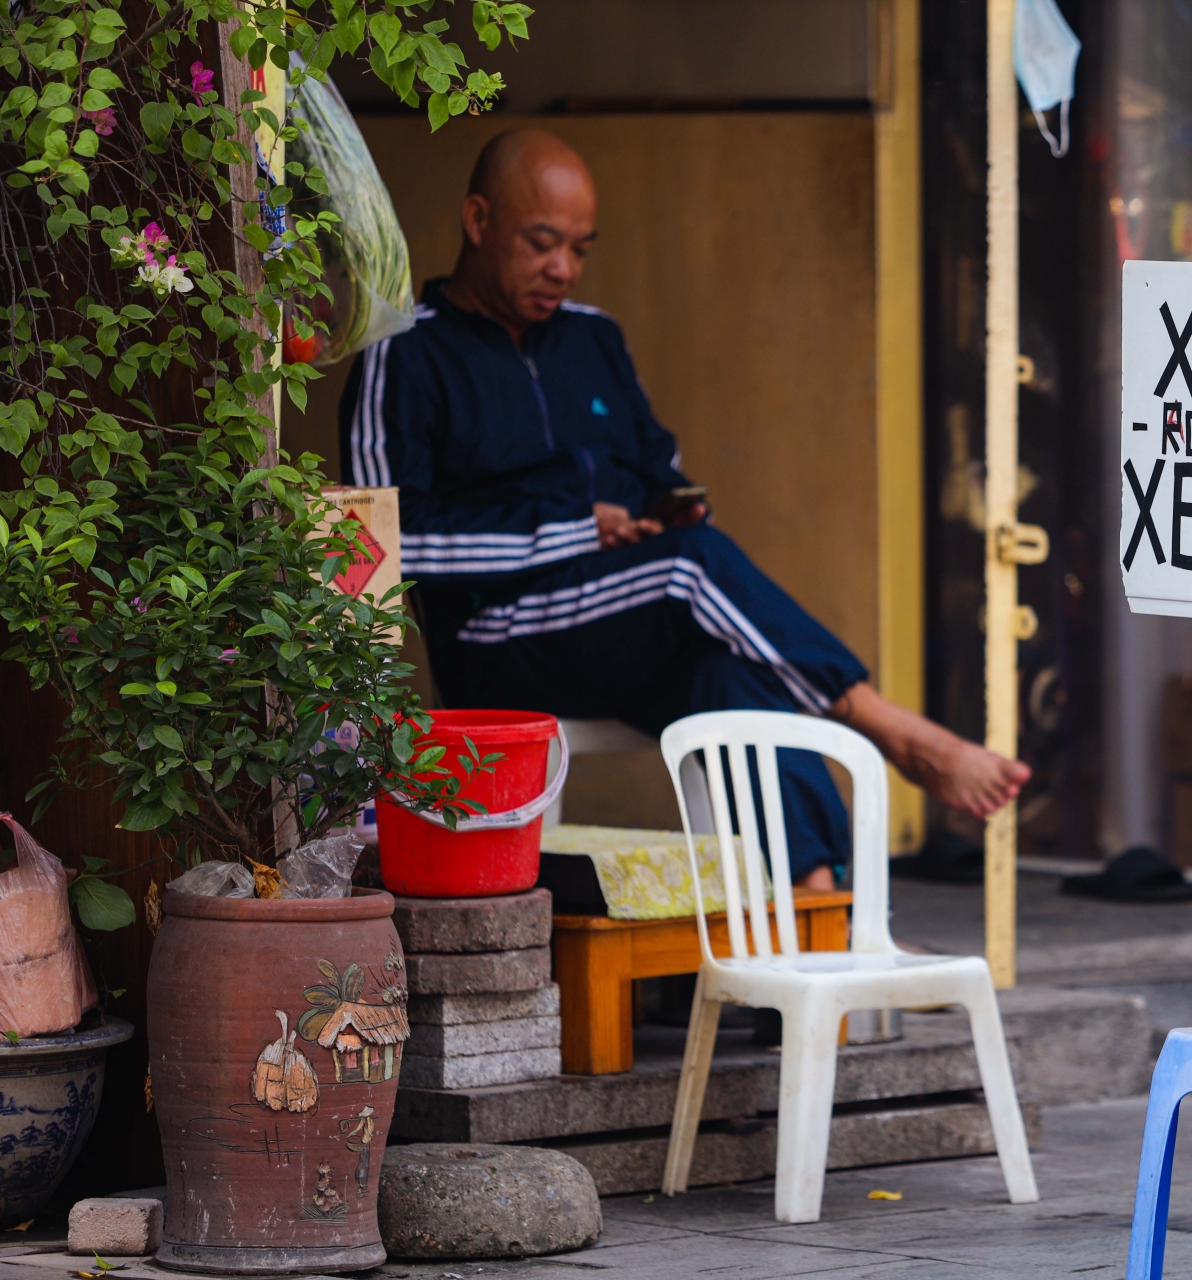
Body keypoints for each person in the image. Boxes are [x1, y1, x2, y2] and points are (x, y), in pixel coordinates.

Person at [341, 128, 1028, 887]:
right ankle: (898, 734)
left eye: (580, 249)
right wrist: (573, 530)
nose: (562, 270)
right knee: (693, 573)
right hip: (497, 642)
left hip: (625, 619)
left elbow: (655, 469)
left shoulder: (594, 339)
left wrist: (661, 516)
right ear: (478, 221)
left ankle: (822, 914)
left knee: (734, 684)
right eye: (542, 244)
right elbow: (389, 546)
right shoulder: (403, 350)